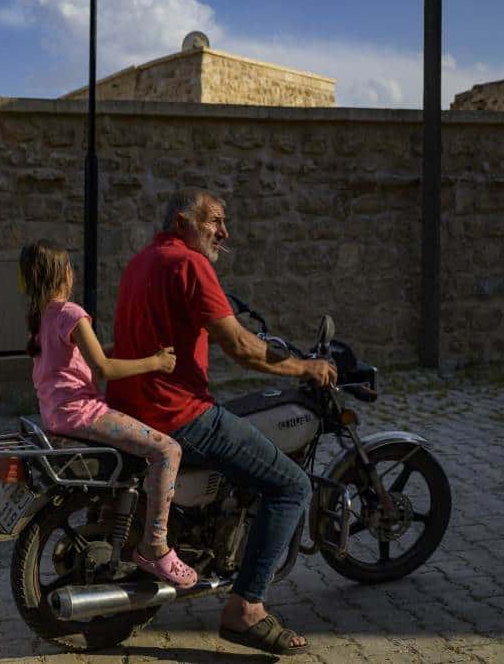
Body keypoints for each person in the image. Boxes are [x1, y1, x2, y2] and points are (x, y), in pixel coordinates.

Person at [106, 187, 337, 656]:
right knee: (291, 485)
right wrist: (303, 367)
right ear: (182, 223)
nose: (223, 231)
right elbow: (242, 347)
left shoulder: (140, 262)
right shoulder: (191, 264)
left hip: (133, 409)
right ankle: (247, 607)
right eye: (213, 220)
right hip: (179, 413)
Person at [19, 240, 198, 588]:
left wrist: (135, 353)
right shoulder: (71, 313)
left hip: (57, 417)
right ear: (64, 273)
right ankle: (155, 546)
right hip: (84, 415)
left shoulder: (42, 318)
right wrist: (156, 362)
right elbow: (103, 368)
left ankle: (115, 523)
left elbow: (84, 359)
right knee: (167, 450)